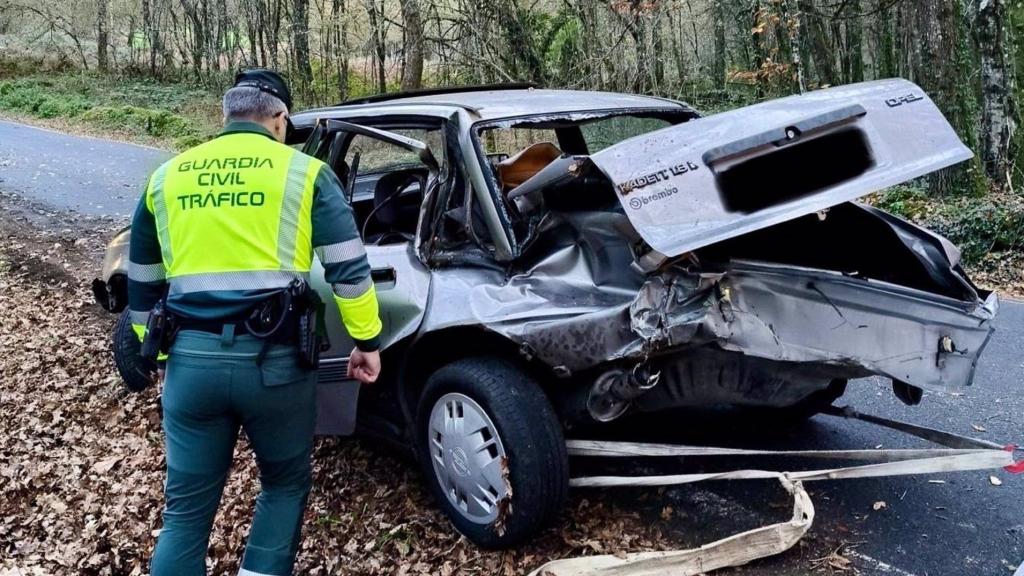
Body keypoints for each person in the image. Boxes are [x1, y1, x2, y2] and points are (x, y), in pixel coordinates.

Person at [126, 68, 382, 575]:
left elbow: (142, 280)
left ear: (226, 115)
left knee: (185, 512)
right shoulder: (305, 173)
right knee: (284, 484)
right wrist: (366, 340)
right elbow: (349, 269)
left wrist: (150, 347)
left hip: (191, 364)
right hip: (277, 365)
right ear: (280, 119)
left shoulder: (167, 176)